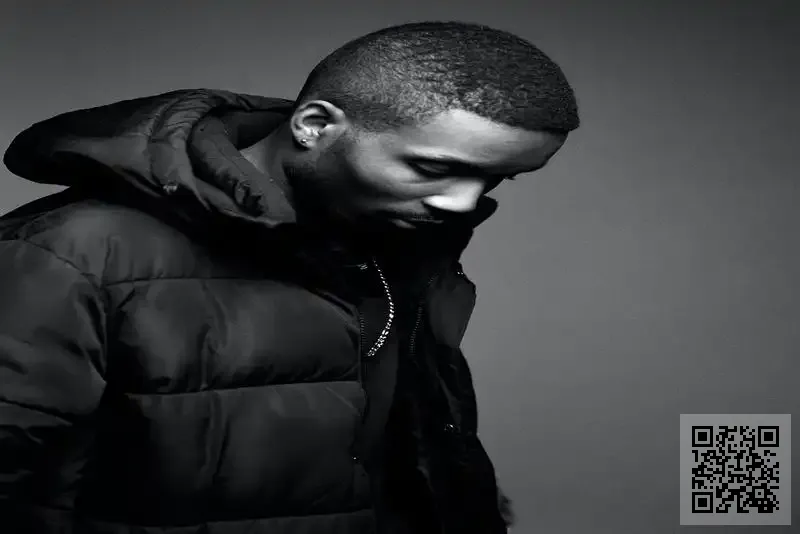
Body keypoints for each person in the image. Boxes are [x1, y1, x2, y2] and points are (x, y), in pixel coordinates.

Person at [0, 20, 579, 534]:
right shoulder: (68, 250)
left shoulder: (395, 241)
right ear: (315, 125)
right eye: (433, 167)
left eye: (495, 179)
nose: (463, 203)